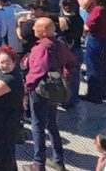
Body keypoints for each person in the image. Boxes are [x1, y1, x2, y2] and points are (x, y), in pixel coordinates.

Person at [23, 17, 76, 171]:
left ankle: (38, 163)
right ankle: (58, 160)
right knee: (52, 124)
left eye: (36, 27)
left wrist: (26, 91)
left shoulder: (41, 49)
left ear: (44, 31)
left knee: (37, 126)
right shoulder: (59, 45)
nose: (33, 29)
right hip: (55, 91)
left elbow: (36, 73)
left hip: (40, 92)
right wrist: (63, 76)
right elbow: (72, 62)